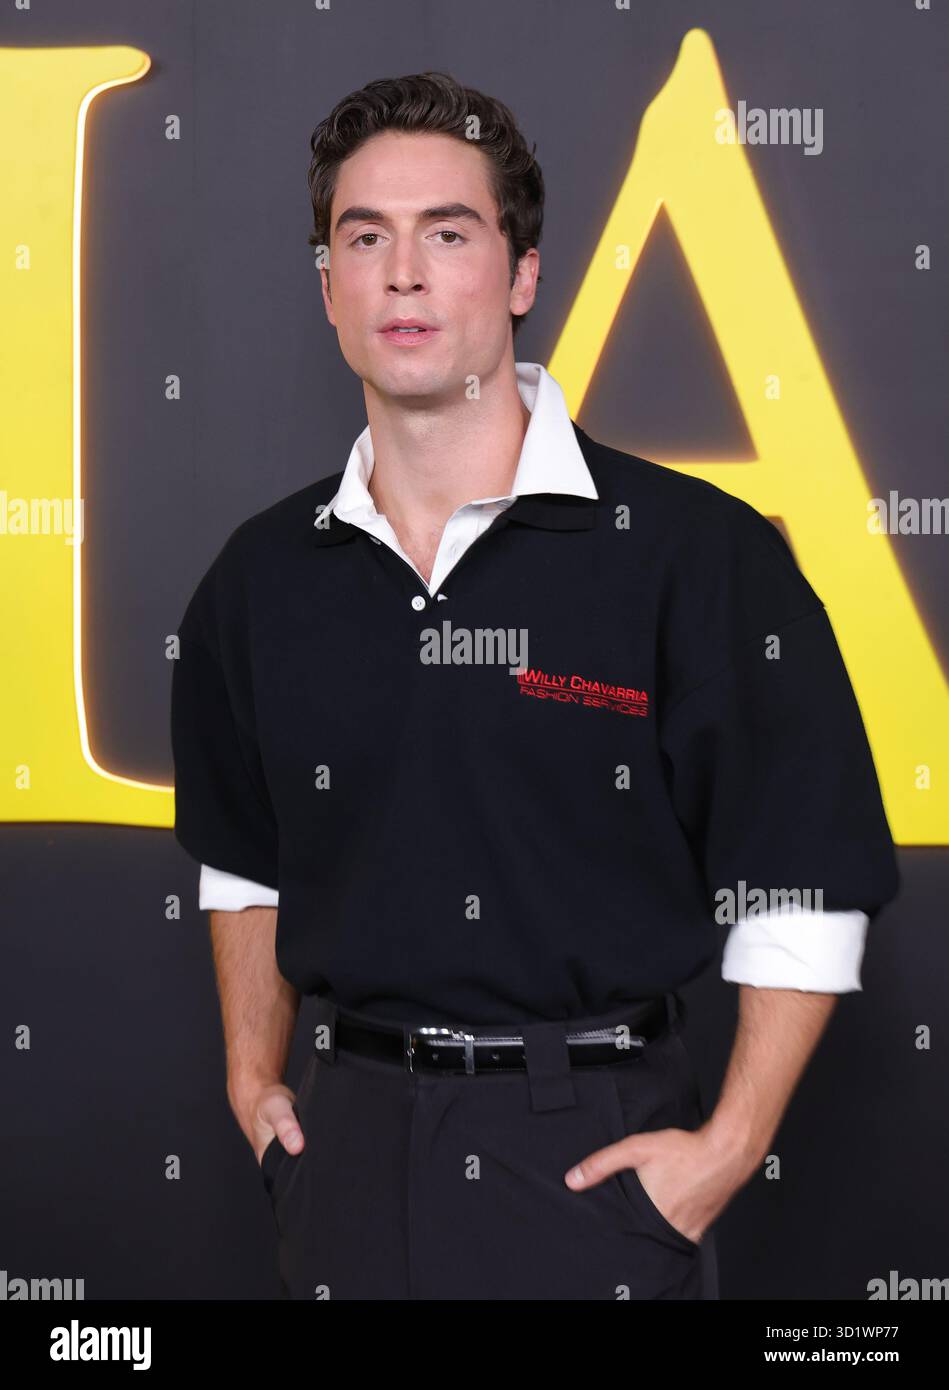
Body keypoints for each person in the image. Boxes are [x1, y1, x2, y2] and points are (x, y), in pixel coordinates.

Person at [170, 71, 900, 1300]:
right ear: (330, 286)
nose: (402, 272)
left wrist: (723, 1152)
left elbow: (808, 869)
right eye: (365, 237)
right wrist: (255, 1078)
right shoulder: (258, 579)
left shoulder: (689, 551)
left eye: (447, 233)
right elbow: (245, 857)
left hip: (590, 1162)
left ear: (519, 277)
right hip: (342, 1156)